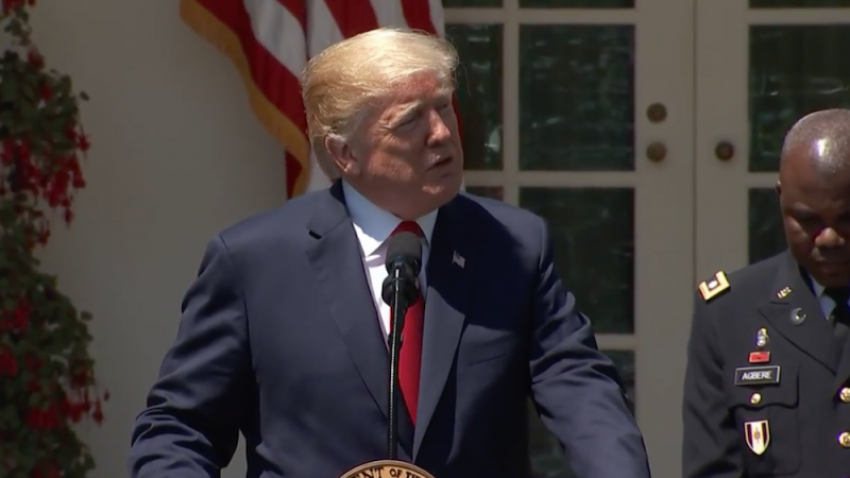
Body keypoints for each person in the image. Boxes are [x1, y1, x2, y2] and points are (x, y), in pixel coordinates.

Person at [128, 27, 651, 478]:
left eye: (443, 106)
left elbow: (582, 392)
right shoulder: (254, 262)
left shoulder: (513, 246)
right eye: (410, 121)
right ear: (344, 153)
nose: (442, 133)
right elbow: (180, 429)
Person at [682, 108, 850, 477]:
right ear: (781, 200)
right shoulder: (730, 313)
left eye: (847, 219)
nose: (829, 239)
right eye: (808, 220)